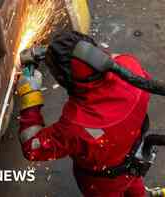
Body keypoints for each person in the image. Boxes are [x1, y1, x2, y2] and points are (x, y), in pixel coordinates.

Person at [16, 31, 151, 197]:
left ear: (63, 79)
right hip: (135, 159)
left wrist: (30, 94)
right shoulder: (130, 66)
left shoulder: (78, 124)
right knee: (135, 189)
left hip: (103, 182)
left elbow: (31, 148)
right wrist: (53, 51)